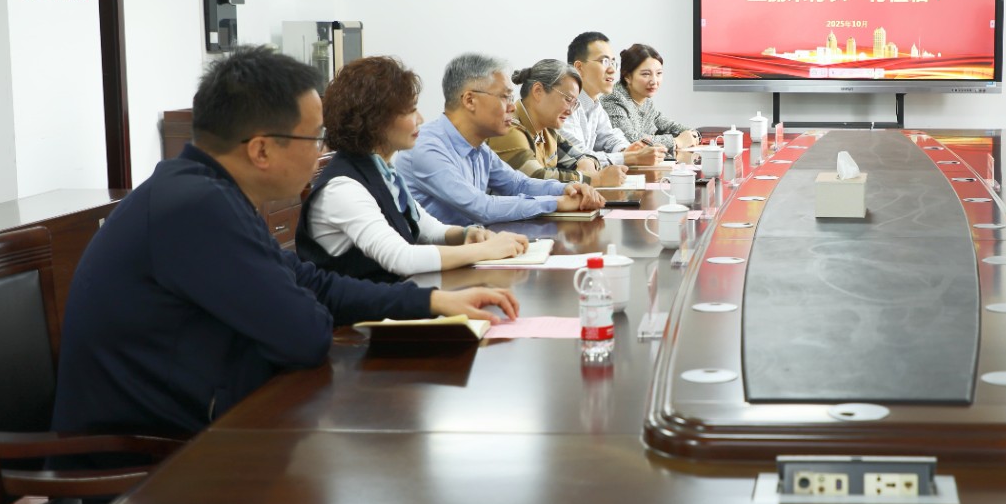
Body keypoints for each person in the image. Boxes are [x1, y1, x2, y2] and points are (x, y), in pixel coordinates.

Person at [51, 46, 519, 439]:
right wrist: (311, 304)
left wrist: (432, 302)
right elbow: (304, 336)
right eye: (315, 138)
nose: (322, 151)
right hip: (149, 462)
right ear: (261, 149)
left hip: (203, 428)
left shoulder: (208, 190)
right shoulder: (194, 207)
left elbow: (311, 282)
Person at [298, 56, 530, 281]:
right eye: (410, 110)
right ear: (375, 120)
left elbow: (427, 229)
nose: (420, 119)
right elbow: (401, 258)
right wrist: (485, 250)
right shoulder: (343, 188)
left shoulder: (382, 171)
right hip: (359, 307)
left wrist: (467, 234)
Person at [395, 53, 605, 225]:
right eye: (505, 97)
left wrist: (567, 188)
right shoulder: (426, 147)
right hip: (438, 259)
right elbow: (481, 207)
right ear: (470, 100)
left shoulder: (479, 148)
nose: (512, 107)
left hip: (473, 248)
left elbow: (518, 184)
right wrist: (556, 202)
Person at [489, 59, 626, 187]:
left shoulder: (547, 130)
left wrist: (587, 162)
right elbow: (536, 178)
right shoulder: (508, 129)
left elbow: (581, 156)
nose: (570, 111)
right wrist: (595, 179)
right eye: (568, 99)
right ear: (538, 91)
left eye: (575, 104)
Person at [560, 31, 666, 172]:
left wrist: (626, 149)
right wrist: (629, 157)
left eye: (613, 63)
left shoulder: (594, 105)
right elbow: (578, 158)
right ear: (579, 68)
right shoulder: (563, 105)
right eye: (604, 62)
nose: (612, 70)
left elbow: (610, 137)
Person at [600, 43, 698, 157]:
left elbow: (667, 125)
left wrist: (692, 134)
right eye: (646, 74)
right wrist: (677, 141)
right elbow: (631, 140)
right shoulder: (613, 99)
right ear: (627, 76)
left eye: (659, 73)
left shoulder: (645, 100)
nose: (654, 81)